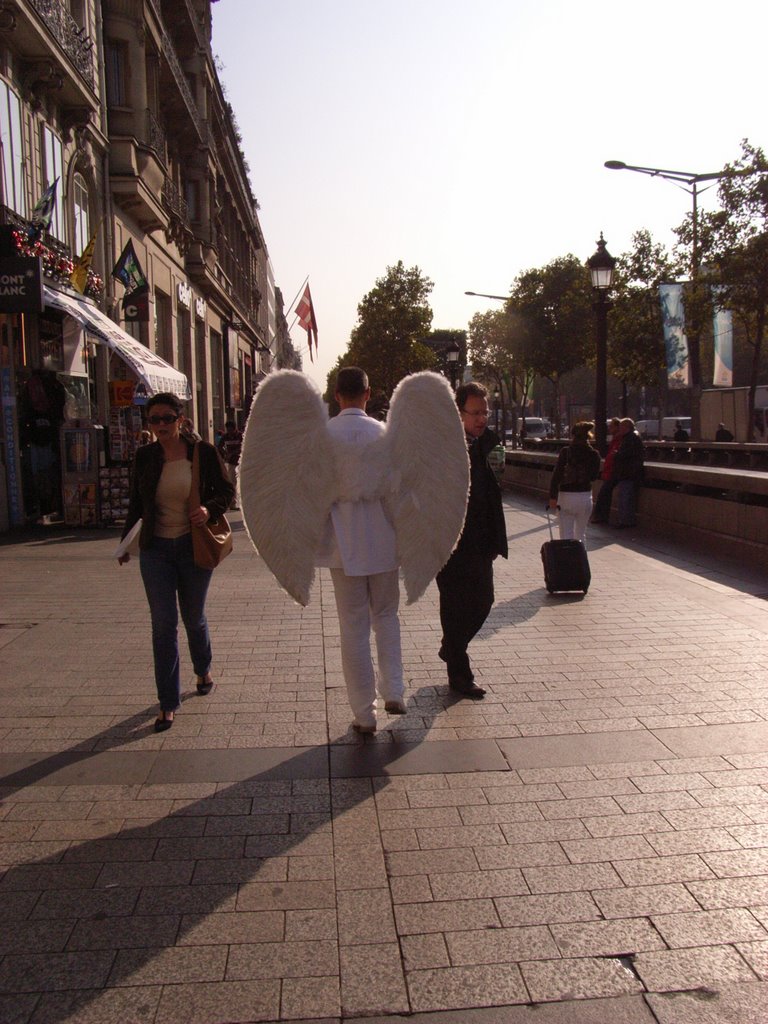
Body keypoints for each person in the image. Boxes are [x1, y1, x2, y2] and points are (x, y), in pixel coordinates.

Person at [118, 392, 233, 732]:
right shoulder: (145, 457)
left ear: (181, 420)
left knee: (193, 617)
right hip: (156, 550)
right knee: (163, 625)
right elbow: (136, 503)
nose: (161, 425)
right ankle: (168, 703)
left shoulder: (203, 453)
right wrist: (125, 543)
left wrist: (208, 509)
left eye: (168, 418)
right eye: (155, 420)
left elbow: (226, 492)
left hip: (192, 546)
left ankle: (203, 668)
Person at [315, 368, 406, 732]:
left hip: (342, 543)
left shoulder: (322, 436)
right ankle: (395, 688)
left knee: (352, 626)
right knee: (386, 615)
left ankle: (363, 713)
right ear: (368, 394)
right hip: (384, 540)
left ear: (336, 395)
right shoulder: (385, 434)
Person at [436, 382, 508, 700]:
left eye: (485, 412)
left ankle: (452, 647)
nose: (481, 419)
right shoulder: (444, 447)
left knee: (484, 601)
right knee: (453, 607)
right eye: (475, 412)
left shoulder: (487, 445)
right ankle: (460, 675)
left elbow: (493, 489)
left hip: (480, 541)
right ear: (459, 412)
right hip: (449, 543)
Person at [548, 421, 601, 543]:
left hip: (566, 496)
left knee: (566, 535)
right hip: (585, 496)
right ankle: (581, 560)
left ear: (573, 436)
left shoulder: (566, 452)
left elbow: (556, 475)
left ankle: (568, 561)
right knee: (581, 535)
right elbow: (593, 477)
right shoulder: (594, 454)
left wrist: (552, 497)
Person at [612, 417, 644, 528]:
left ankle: (625, 521)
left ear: (626, 427)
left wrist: (617, 454)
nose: (619, 429)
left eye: (621, 427)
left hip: (628, 472)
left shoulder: (630, 438)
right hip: (629, 472)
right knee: (626, 497)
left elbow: (627, 454)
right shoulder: (632, 437)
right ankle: (626, 520)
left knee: (625, 498)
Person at [590, 417, 621, 524]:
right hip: (610, 470)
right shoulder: (616, 439)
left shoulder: (619, 439)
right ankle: (601, 516)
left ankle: (601, 516)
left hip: (614, 471)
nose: (610, 428)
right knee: (604, 494)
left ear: (618, 427)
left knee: (603, 494)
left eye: (612, 426)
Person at [217, 420, 243, 509]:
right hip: (232, 463)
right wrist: (225, 453)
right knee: (232, 483)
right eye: (228, 430)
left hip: (241, 462)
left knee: (242, 482)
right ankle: (233, 503)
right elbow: (219, 446)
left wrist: (232, 453)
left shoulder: (240, 436)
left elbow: (243, 447)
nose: (230, 432)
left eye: (231, 430)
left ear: (235, 429)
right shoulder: (225, 437)